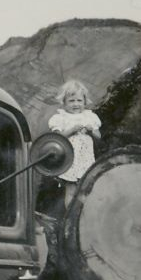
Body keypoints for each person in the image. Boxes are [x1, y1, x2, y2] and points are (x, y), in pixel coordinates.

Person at [48, 80, 101, 209]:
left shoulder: (89, 117)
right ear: (64, 102)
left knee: (85, 190)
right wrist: (71, 130)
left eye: (79, 100)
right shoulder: (61, 118)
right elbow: (57, 138)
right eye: (71, 101)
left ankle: (84, 215)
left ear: (85, 101)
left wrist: (91, 131)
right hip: (70, 159)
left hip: (86, 159)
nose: (76, 104)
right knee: (71, 189)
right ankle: (70, 215)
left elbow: (98, 137)